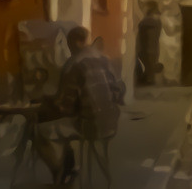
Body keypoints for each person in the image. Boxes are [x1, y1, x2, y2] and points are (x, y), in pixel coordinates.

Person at [35, 26, 125, 185]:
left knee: (42, 131)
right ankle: (71, 167)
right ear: (86, 40)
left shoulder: (74, 64)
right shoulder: (104, 59)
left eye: (69, 45)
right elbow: (118, 92)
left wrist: (48, 102)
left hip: (89, 127)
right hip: (111, 123)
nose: (69, 49)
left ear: (75, 42)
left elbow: (65, 107)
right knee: (65, 125)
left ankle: (61, 175)